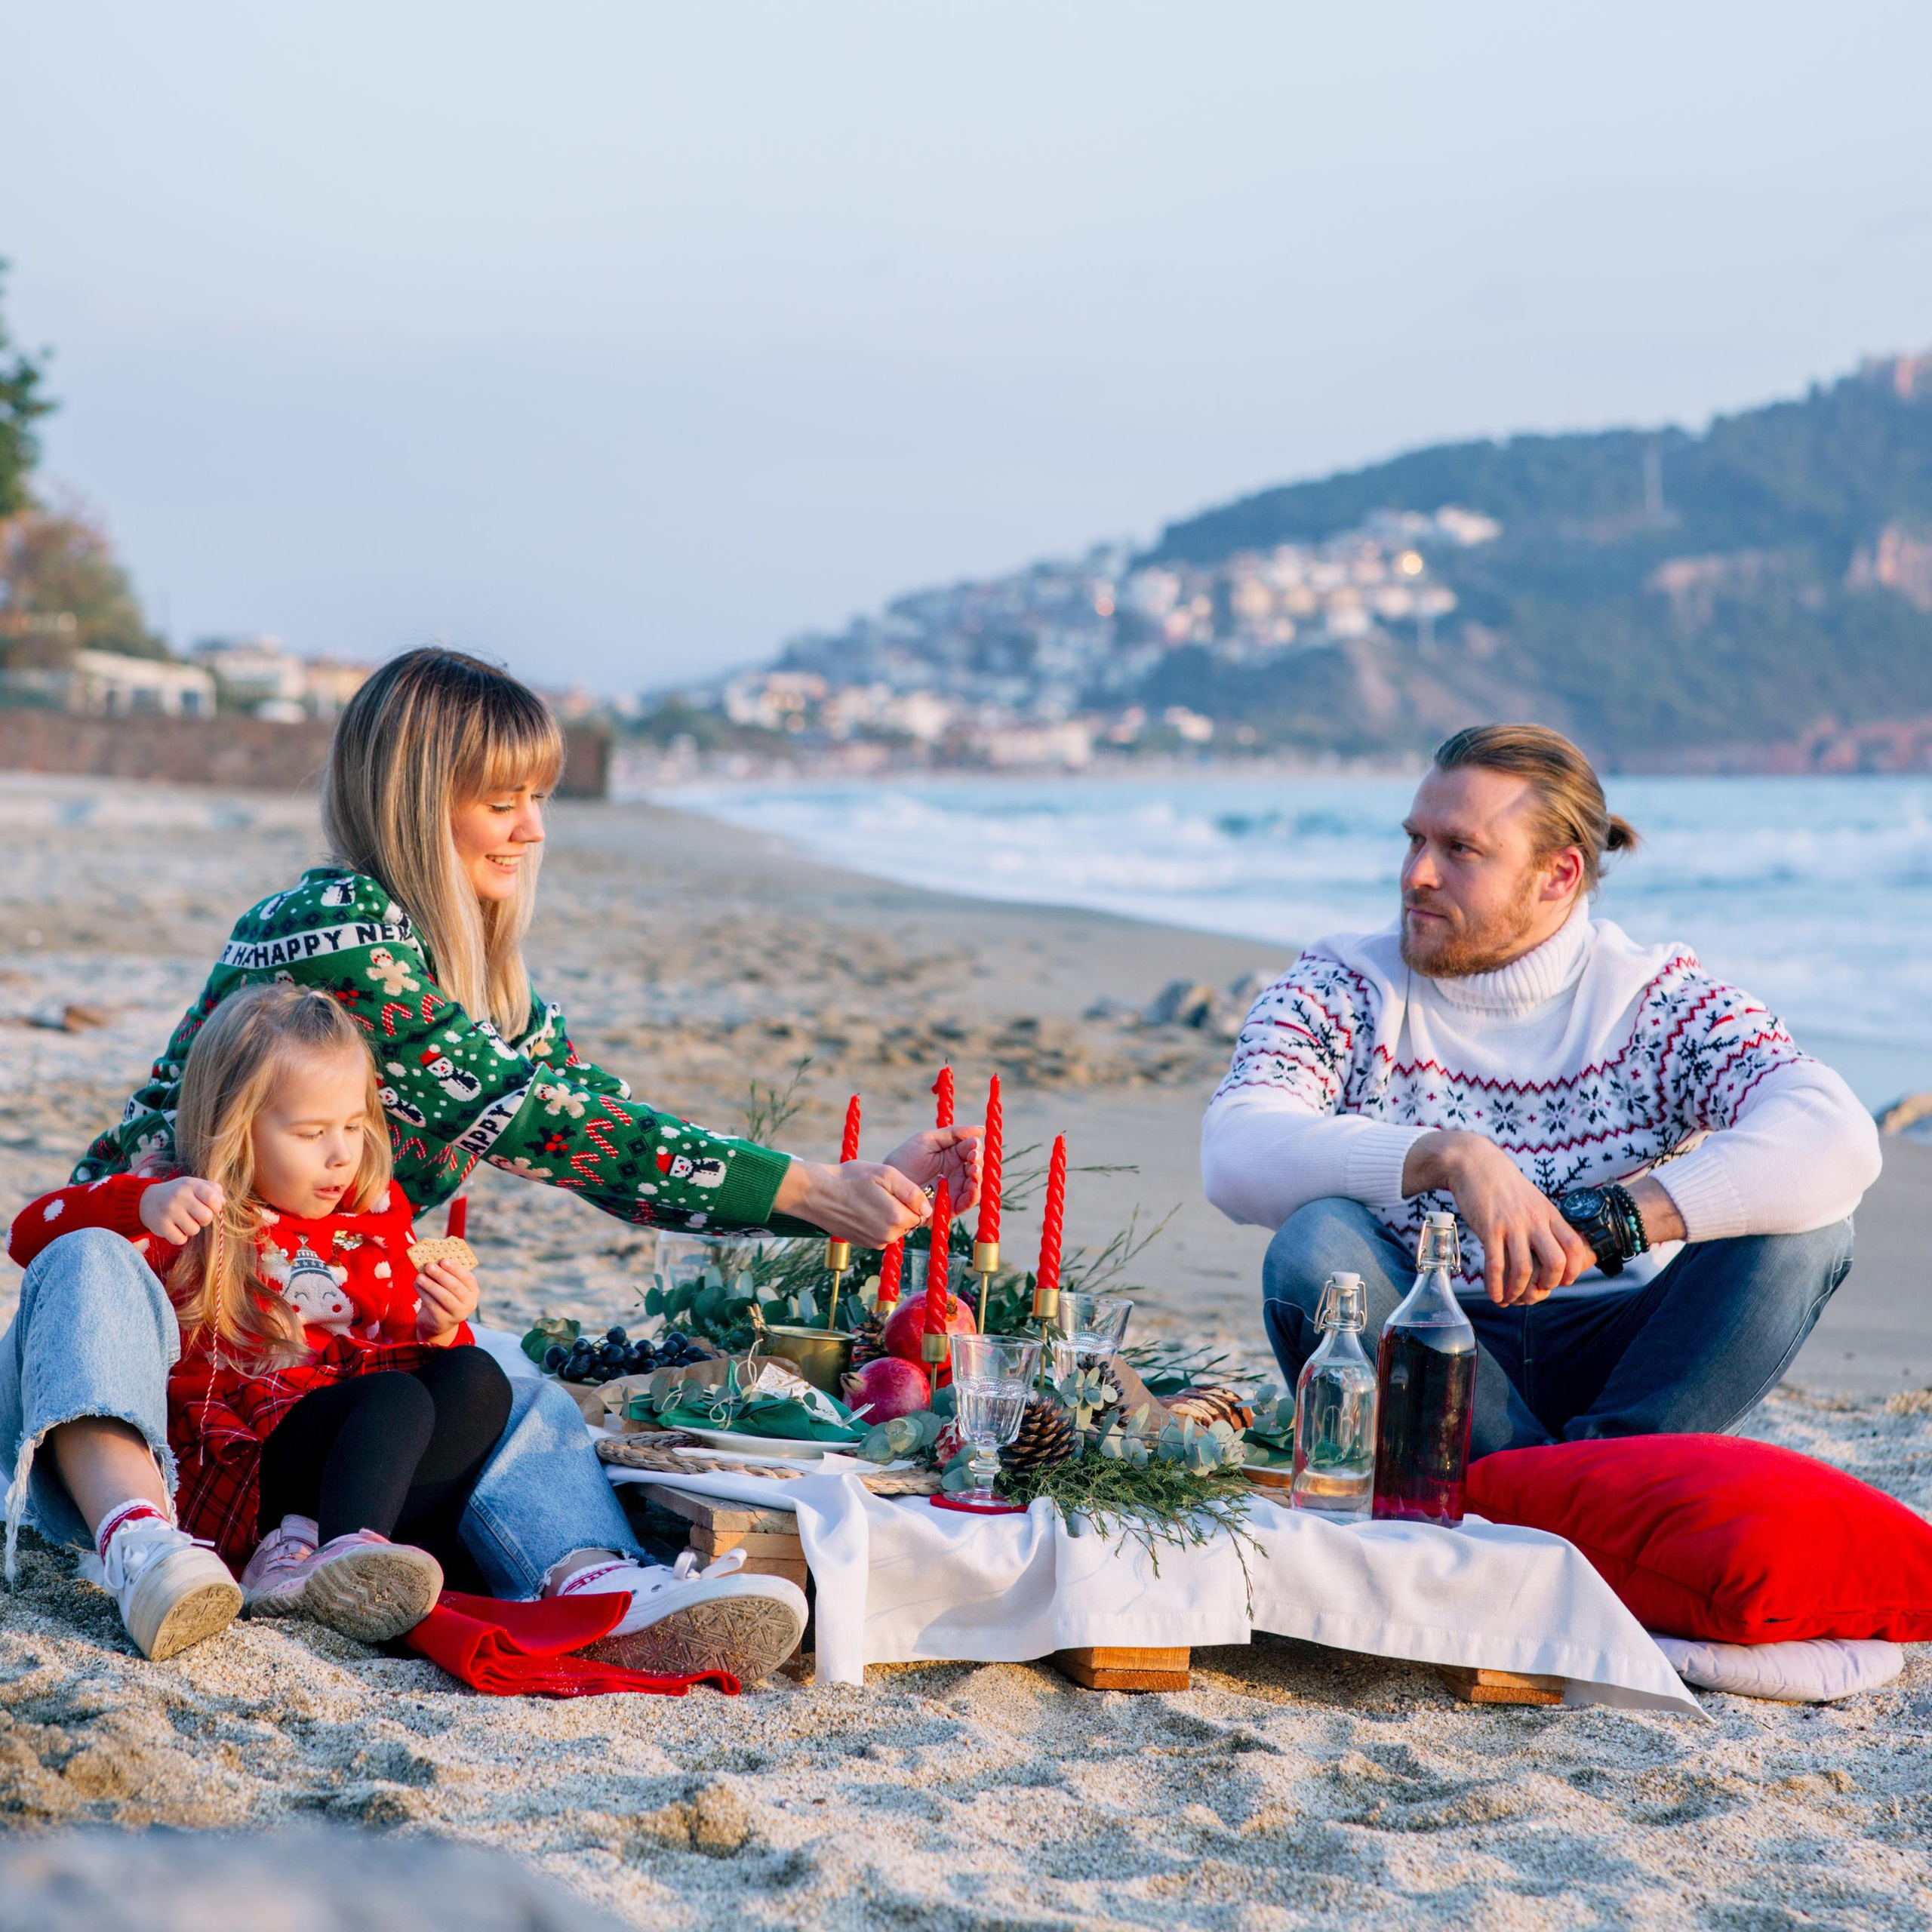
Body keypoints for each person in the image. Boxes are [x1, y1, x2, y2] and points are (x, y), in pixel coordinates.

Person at [3, 645, 963, 1668]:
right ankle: (145, 1550)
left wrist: (840, 1188)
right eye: (502, 802)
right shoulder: (331, 930)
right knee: (88, 1257)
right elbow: (545, 1125)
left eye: (537, 799)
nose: (532, 828)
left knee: (504, 1378)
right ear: (416, 803)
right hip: (162, 1372)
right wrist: (811, 1192)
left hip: (313, 1379)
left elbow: (603, 1120)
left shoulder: (493, 994)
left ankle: (595, 1586)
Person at [1201, 723, 1881, 1458]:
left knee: (1808, 1231)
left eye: (1459, 849)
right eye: (1414, 840)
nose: (1417, 874)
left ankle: (1593, 1471)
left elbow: (1835, 1134)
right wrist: (1448, 1156)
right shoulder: (1342, 987)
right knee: (1314, 1243)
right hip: (1418, 1338)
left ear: (1558, 874)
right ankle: (1546, 1490)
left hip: (1625, 1355)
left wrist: (1613, 1221)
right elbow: (1235, 1149)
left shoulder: (1654, 1004)